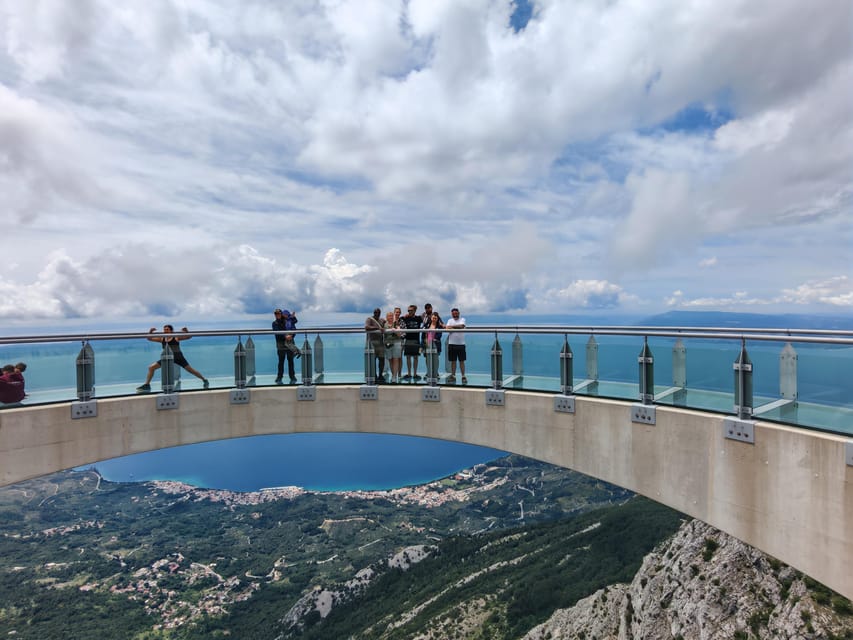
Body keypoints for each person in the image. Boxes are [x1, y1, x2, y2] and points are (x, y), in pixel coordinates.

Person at [136, 325, 208, 392]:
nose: (165, 331)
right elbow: (149, 338)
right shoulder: (162, 339)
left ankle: (204, 379)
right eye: (164, 329)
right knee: (151, 367)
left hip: (178, 357)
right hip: (167, 358)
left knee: (190, 370)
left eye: (167, 329)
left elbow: (188, 337)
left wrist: (186, 331)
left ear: (171, 331)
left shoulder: (175, 337)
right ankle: (147, 385)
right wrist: (151, 331)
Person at [272, 308, 300, 384]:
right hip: (281, 345)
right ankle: (279, 377)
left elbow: (294, 324)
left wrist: (291, 336)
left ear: (281, 314)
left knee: (290, 361)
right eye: (276, 314)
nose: (277, 315)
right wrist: (285, 336)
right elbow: (277, 332)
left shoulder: (287, 321)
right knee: (281, 362)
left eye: (278, 313)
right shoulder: (274, 323)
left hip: (290, 343)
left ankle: (292, 376)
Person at [445, 307, 467, 383]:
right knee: (453, 361)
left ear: (459, 313)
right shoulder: (449, 320)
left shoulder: (462, 319)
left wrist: (452, 327)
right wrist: (453, 327)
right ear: (452, 314)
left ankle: (463, 376)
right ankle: (453, 376)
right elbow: (447, 329)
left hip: (461, 344)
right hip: (451, 344)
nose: (455, 314)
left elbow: (462, 326)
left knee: (462, 361)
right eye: (453, 313)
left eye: (456, 313)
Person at [364, 308, 387, 383]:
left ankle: (380, 375)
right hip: (372, 343)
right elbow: (367, 327)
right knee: (372, 360)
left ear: (380, 313)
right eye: (375, 312)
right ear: (373, 312)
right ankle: (374, 375)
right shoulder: (369, 319)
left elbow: (388, 324)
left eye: (378, 312)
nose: (377, 313)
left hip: (380, 343)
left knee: (382, 359)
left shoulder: (382, 320)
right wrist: (378, 328)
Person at [400, 304, 422, 380]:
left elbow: (426, 318)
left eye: (411, 310)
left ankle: (415, 374)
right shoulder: (405, 318)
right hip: (408, 340)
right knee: (408, 357)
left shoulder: (419, 318)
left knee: (416, 357)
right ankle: (409, 374)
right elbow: (398, 319)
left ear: (415, 310)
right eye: (408, 310)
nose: (409, 312)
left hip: (416, 340)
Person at [384, 310, 404, 383]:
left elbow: (399, 334)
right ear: (386, 317)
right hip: (387, 344)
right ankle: (393, 375)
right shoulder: (384, 324)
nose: (390, 317)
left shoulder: (396, 323)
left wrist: (395, 330)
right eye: (389, 316)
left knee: (395, 359)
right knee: (390, 360)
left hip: (396, 343)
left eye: (391, 316)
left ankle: (394, 377)